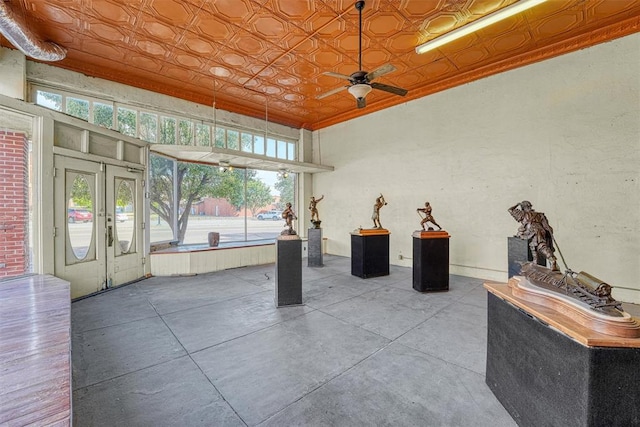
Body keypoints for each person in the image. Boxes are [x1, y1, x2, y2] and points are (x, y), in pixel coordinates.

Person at [508, 200, 558, 271]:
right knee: (540, 245)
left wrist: (517, 204)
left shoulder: (522, 214)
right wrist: (548, 234)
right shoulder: (540, 215)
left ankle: (548, 260)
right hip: (540, 231)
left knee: (538, 245)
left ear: (523, 208)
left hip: (530, 231)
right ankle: (546, 260)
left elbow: (510, 210)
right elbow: (547, 228)